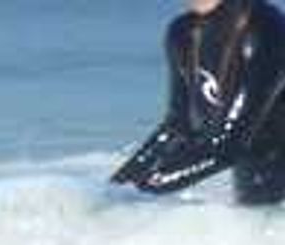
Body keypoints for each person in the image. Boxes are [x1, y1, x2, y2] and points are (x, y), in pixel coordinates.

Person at [112, 0, 285, 205]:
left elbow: (228, 145)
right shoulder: (183, 33)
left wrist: (147, 187)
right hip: (255, 189)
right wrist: (114, 189)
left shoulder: (266, 28)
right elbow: (178, 128)